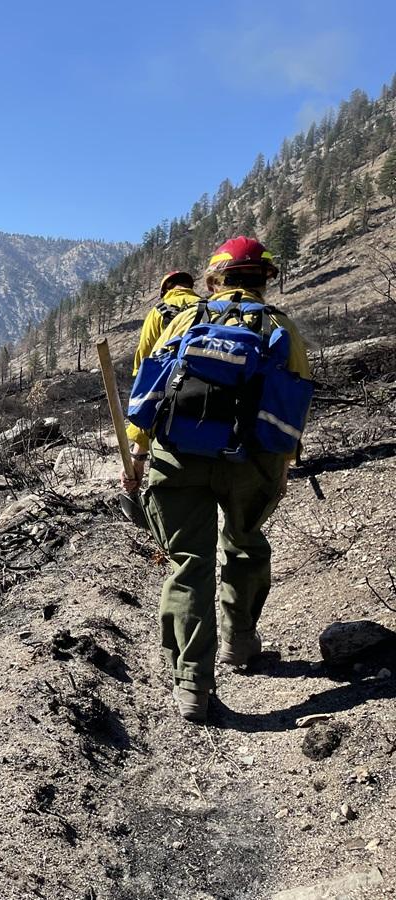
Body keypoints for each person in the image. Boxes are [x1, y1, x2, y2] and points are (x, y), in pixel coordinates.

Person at [122, 237, 311, 722]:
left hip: (179, 459)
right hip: (251, 463)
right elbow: (292, 409)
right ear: (266, 280)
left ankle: (192, 686)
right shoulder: (281, 328)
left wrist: (139, 453)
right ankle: (240, 642)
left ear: (213, 280)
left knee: (189, 564)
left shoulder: (185, 320)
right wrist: (282, 469)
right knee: (245, 543)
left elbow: (149, 390)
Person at [132, 271, 201, 376]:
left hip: (168, 370)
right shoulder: (208, 305)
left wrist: (138, 372)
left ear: (166, 289)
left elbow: (146, 345)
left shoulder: (158, 311)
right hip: (202, 369)